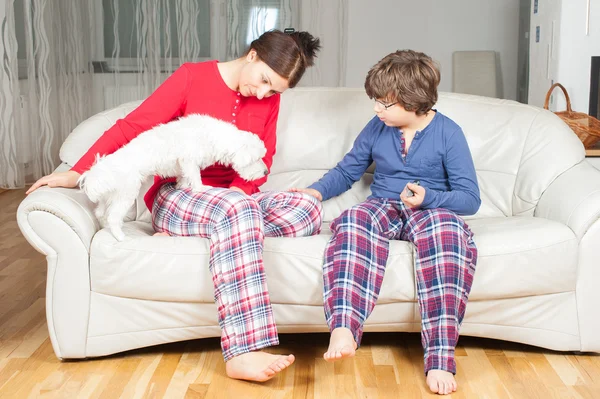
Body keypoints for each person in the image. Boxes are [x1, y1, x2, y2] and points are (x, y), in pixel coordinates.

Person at [27, 29, 323, 383]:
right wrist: (77, 172)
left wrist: (241, 195)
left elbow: (264, 159)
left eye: (273, 90)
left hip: (232, 202)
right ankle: (244, 350)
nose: (263, 94)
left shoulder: (268, 100)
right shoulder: (191, 77)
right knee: (236, 210)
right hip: (178, 196)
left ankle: (232, 234)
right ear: (253, 55)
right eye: (262, 81)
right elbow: (134, 126)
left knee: (307, 209)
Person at [290, 50, 480, 395]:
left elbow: (470, 198)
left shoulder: (449, 133)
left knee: (448, 236)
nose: (377, 109)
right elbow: (349, 170)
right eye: (376, 101)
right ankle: (344, 326)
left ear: (414, 101)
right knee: (352, 222)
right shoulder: (378, 127)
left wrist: (430, 198)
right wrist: (314, 193)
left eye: (385, 103)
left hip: (430, 210)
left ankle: (439, 356)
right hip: (383, 205)